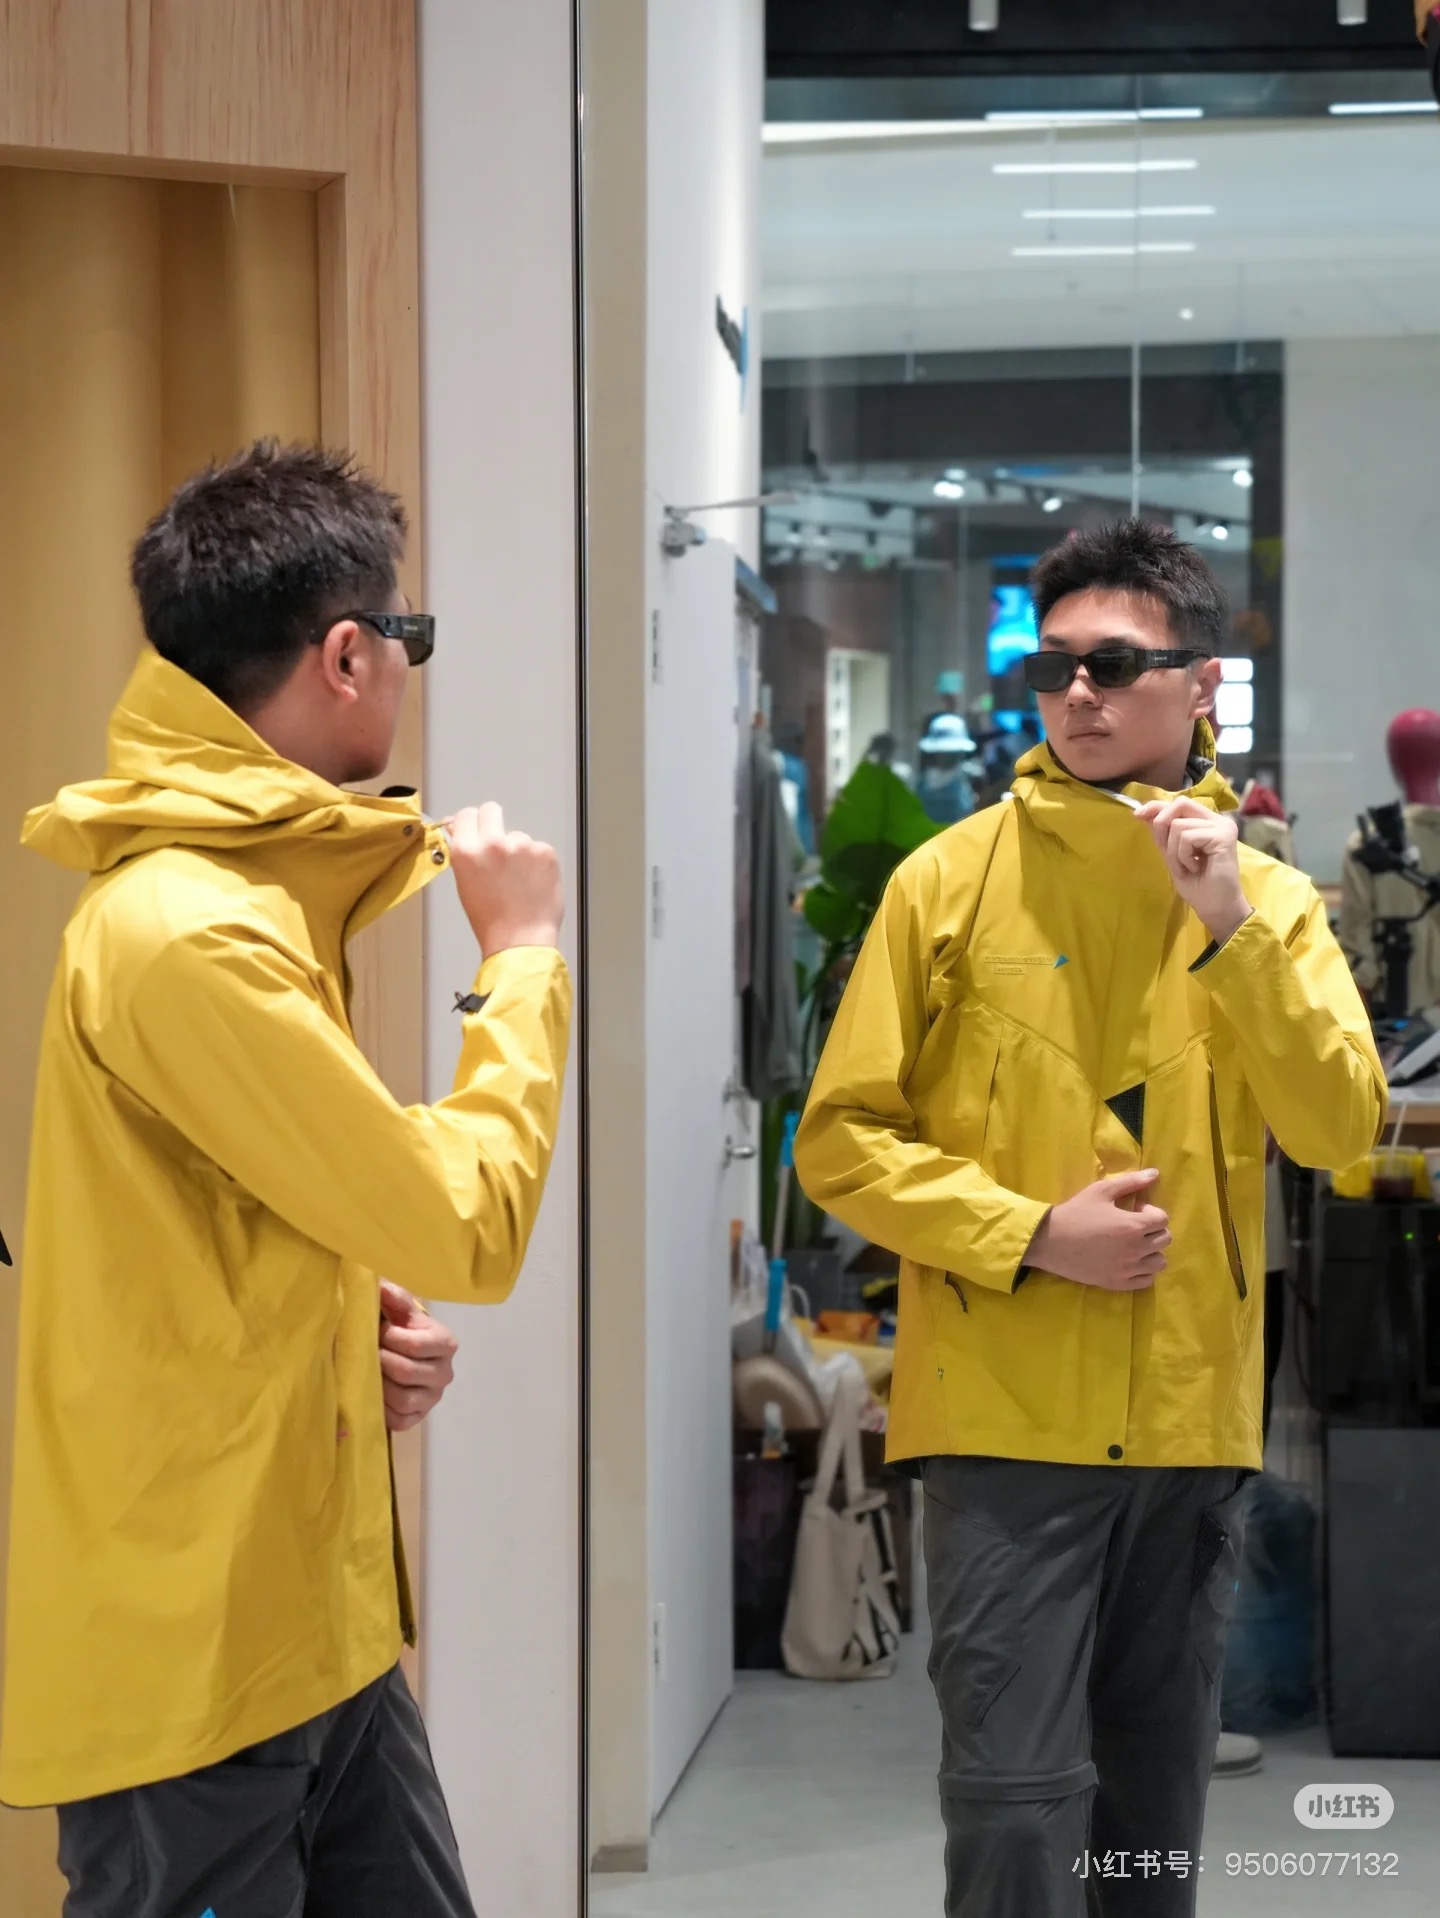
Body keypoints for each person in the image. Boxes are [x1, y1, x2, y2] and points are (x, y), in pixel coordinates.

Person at [0, 441, 571, 1917]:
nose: (411, 670)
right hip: (199, 1656)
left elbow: (216, 1234)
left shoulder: (243, 899)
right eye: (410, 636)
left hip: (307, 1617)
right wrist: (520, 961)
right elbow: (466, 1223)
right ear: (348, 653)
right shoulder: (192, 929)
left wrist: (338, 1327)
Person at [795, 519, 1384, 1918]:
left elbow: (1340, 1131)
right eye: (1054, 665)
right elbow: (841, 1141)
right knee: (1012, 1814)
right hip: (1003, 1423)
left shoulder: (1271, 903)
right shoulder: (946, 883)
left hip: (1187, 1426)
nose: (1078, 693)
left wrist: (1232, 929)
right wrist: (1028, 1232)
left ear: (1201, 684)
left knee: (1149, 1826)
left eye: (1114, 664)